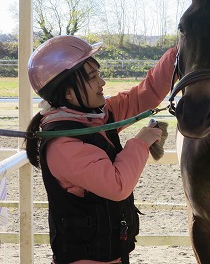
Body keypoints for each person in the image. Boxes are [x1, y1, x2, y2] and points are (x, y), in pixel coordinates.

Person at [24, 35, 177, 264]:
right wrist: (141, 142)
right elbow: (117, 185)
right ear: (68, 92)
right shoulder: (63, 145)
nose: (102, 83)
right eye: (93, 77)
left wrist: (181, 49)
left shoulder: (96, 116)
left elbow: (145, 95)